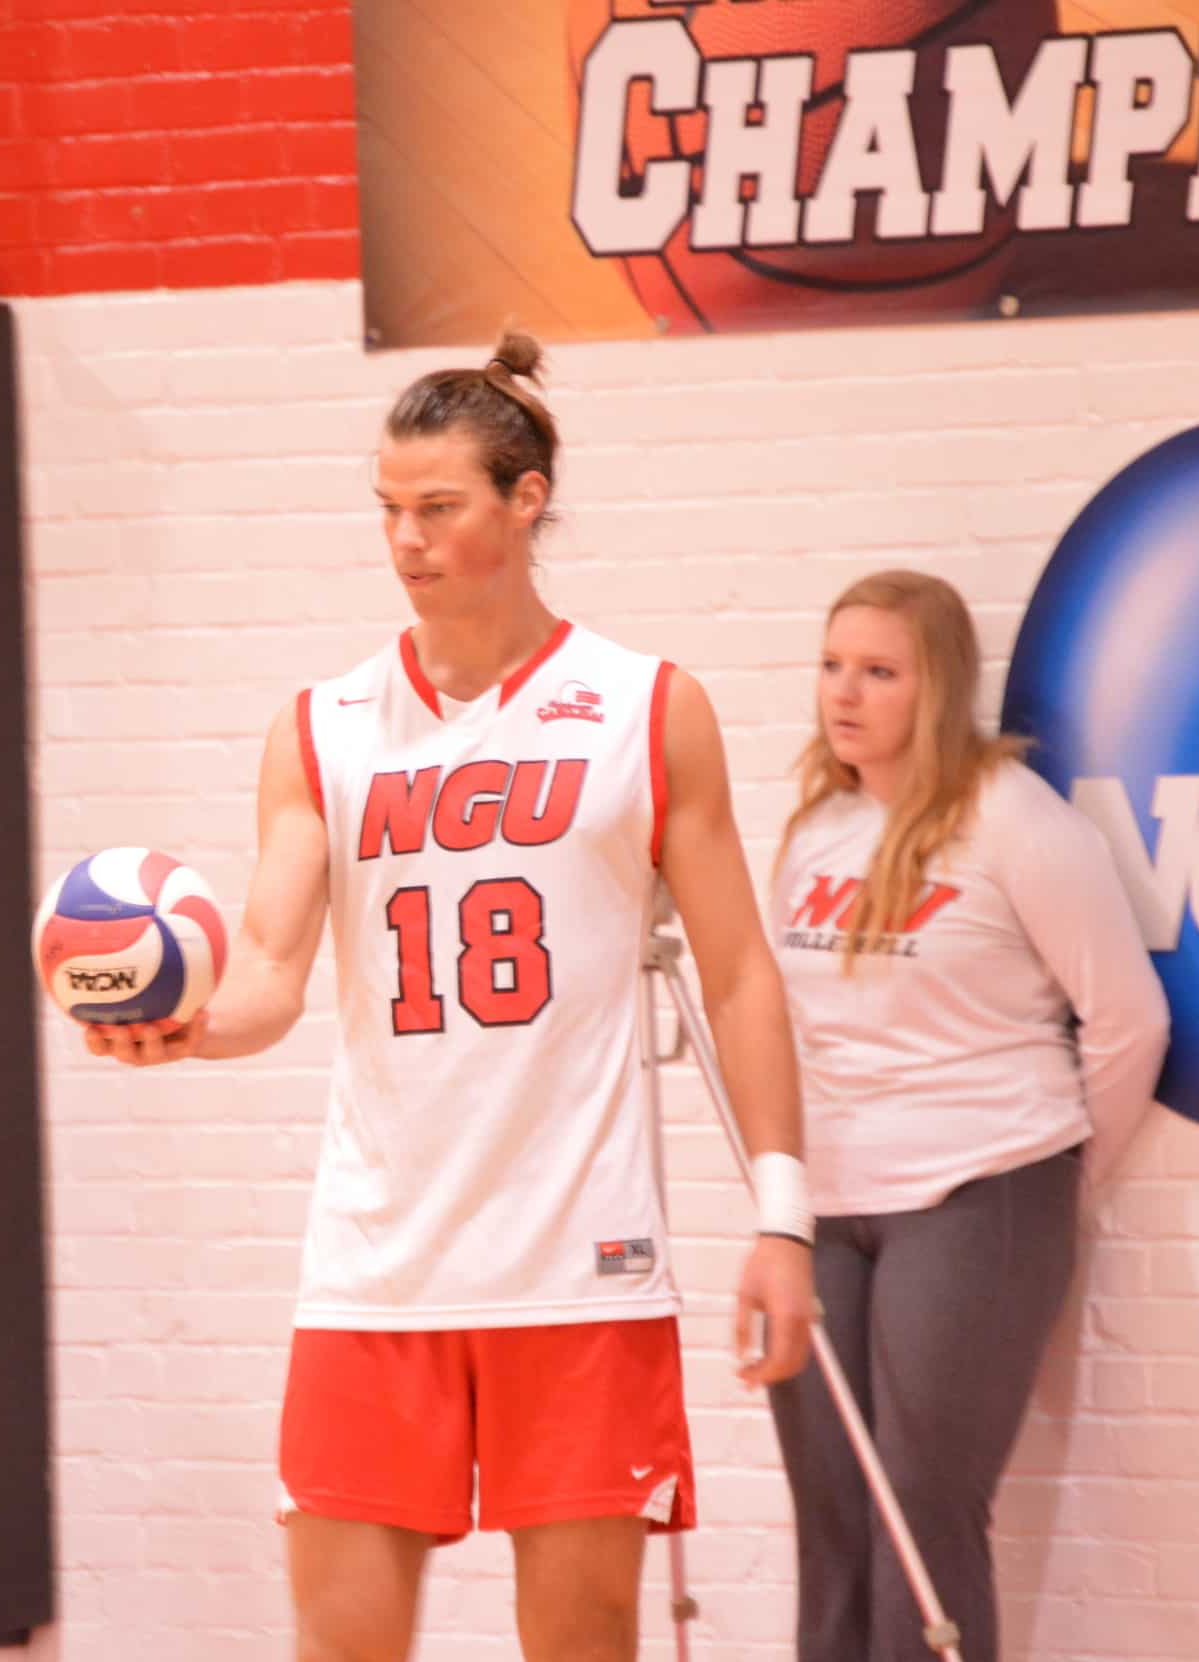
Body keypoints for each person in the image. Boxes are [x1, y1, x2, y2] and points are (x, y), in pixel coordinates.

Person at [86, 332, 817, 1662]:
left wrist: (785, 1221)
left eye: (439, 507)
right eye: (387, 509)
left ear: (525, 499)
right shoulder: (324, 725)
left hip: (580, 1266)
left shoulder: (646, 708)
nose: (405, 539)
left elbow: (741, 972)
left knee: (581, 1643)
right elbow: (266, 969)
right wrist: (181, 1027)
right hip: (378, 1270)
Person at [763, 570, 1170, 1662]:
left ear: (936, 687)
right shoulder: (815, 830)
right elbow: (794, 1037)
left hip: (975, 1191)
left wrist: (1047, 1188)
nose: (844, 693)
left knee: (919, 1518)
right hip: (829, 1216)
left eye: (879, 671)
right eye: (832, 664)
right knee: (833, 1522)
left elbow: (1128, 1019)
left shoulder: (1011, 821)